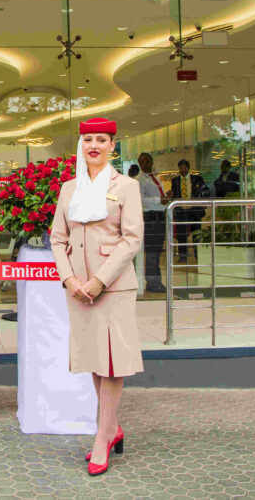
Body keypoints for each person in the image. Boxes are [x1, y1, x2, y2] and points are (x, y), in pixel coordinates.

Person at [50, 117, 143, 477]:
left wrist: (99, 280)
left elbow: (131, 239)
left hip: (114, 287)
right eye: (88, 139)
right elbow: (58, 239)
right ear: (81, 144)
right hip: (78, 289)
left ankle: (102, 438)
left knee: (113, 363)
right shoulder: (69, 189)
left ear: (112, 146)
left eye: (101, 140)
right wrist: (69, 278)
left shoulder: (127, 186)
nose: (94, 146)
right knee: (94, 359)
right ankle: (112, 427)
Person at [135, 152, 167, 294]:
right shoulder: (139, 180)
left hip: (160, 216)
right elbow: (140, 200)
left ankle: (156, 280)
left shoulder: (156, 178)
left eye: (147, 160)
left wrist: (165, 199)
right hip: (150, 218)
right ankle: (153, 282)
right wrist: (159, 200)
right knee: (152, 252)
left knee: (157, 251)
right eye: (142, 161)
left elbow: (158, 197)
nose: (145, 163)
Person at [168, 159, 206, 264]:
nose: (182, 170)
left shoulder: (197, 179)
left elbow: (204, 191)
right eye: (180, 168)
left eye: (184, 167)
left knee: (196, 234)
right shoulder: (175, 181)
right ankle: (183, 256)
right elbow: (174, 195)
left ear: (188, 168)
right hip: (181, 211)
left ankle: (198, 255)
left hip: (194, 211)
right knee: (182, 235)